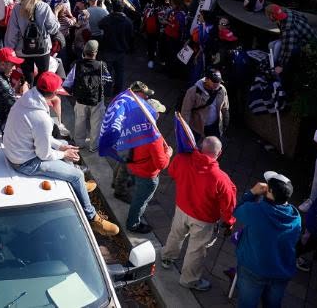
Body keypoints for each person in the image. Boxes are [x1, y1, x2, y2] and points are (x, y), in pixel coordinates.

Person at [2, 71, 119, 236]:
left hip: (16, 152)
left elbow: (40, 138)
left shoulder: (27, 99)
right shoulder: (41, 118)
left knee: (64, 144)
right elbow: (43, 155)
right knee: (77, 175)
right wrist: (65, 155)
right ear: (54, 93)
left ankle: (79, 187)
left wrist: (62, 148)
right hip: (25, 163)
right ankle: (92, 218)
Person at [160, 136, 237, 292]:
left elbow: (172, 172)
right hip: (204, 220)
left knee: (176, 234)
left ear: (200, 147)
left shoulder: (182, 158)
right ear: (219, 152)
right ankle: (189, 280)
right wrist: (229, 222)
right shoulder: (221, 179)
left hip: (181, 208)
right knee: (196, 250)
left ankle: (167, 257)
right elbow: (228, 205)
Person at [233, 172, 302, 308]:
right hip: (281, 273)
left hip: (253, 269)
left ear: (270, 191)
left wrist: (252, 192)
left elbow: (237, 210)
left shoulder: (256, 211)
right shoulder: (296, 217)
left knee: (247, 304)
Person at [123, 92, 170, 234]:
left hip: (133, 166)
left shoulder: (132, 123)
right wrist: (169, 153)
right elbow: (161, 164)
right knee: (141, 200)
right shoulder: (154, 136)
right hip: (146, 173)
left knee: (138, 194)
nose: (159, 115)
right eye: (158, 112)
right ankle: (133, 224)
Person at [4, 0, 61, 83]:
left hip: (22, 50)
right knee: (43, 78)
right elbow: (53, 29)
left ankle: (28, 95)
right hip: (42, 49)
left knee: (26, 80)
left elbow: (12, 33)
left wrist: (9, 51)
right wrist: (56, 17)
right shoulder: (44, 7)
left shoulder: (17, 9)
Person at [63, 40, 111, 150]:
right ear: (96, 52)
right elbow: (108, 82)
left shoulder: (77, 65)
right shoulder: (102, 65)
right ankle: (93, 146)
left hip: (80, 100)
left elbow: (67, 83)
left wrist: (74, 92)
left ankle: (79, 144)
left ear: (84, 51)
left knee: (80, 122)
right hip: (97, 100)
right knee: (96, 124)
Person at [180, 69, 230, 139]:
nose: (217, 84)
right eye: (214, 81)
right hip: (197, 128)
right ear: (206, 79)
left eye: (219, 81)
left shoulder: (222, 90)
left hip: (214, 126)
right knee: (195, 148)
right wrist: (186, 131)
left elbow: (225, 107)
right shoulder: (193, 92)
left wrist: (226, 122)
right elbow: (186, 112)